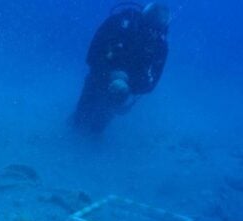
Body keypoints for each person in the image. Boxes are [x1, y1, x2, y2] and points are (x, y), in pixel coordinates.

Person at [72, 2, 170, 134]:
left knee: (97, 128)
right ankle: (75, 128)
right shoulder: (117, 23)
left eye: (156, 29)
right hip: (98, 78)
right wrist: (112, 75)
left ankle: (92, 137)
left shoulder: (159, 45)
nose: (151, 33)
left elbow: (151, 82)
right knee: (79, 119)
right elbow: (92, 55)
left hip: (123, 91)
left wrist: (128, 84)